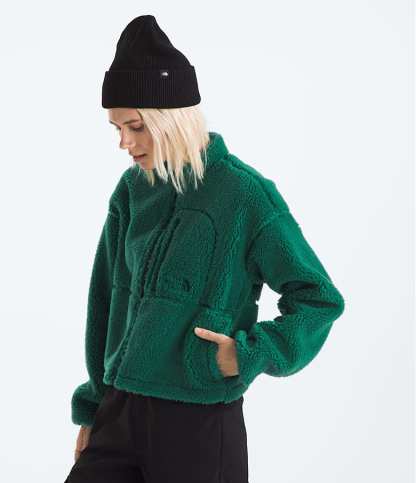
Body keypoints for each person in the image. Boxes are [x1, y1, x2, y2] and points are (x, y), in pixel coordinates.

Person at [64, 14, 345, 483]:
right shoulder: (132, 191)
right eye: (117, 128)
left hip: (197, 421)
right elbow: (104, 302)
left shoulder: (244, 194)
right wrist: (94, 408)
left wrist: (250, 353)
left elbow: (318, 299)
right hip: (119, 409)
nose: (124, 143)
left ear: (171, 119)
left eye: (136, 126)